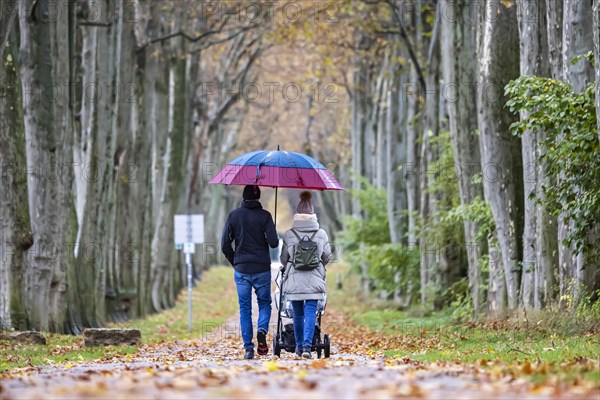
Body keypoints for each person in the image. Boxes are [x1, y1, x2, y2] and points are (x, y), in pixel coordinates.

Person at [221, 185, 279, 359]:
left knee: (244, 308)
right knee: (264, 304)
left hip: (242, 269)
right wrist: (269, 230)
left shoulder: (234, 215)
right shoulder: (265, 216)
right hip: (261, 268)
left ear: (243, 197)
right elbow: (275, 243)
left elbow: (225, 245)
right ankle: (262, 329)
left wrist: (236, 262)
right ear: (259, 197)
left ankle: (248, 348)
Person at [280, 191, 332, 359]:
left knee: (297, 314)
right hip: (314, 280)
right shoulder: (321, 234)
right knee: (311, 312)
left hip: (294, 281)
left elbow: (283, 259)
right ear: (313, 216)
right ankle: (308, 348)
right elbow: (327, 257)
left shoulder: (289, 234)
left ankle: (298, 347)